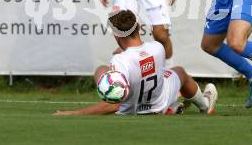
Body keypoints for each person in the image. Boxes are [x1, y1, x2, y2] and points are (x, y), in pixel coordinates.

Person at [54, 10, 217, 116]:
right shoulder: (157, 48)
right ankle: (204, 106)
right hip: (158, 104)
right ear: (138, 27)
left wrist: (73, 113)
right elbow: (144, 60)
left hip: (131, 111)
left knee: (102, 71)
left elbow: (114, 106)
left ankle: (172, 106)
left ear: (117, 37)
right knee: (179, 72)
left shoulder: (120, 60)